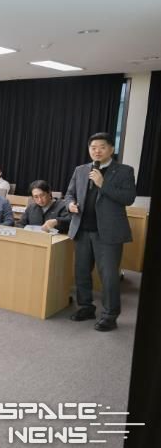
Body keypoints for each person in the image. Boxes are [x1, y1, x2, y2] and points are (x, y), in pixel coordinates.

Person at [65, 132, 136, 331]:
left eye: (102, 147)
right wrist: (70, 204)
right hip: (82, 230)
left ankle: (110, 315)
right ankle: (86, 307)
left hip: (108, 234)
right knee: (81, 273)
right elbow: (69, 193)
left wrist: (103, 184)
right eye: (93, 147)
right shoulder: (81, 170)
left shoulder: (124, 171)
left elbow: (128, 198)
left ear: (111, 149)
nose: (97, 151)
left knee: (109, 276)